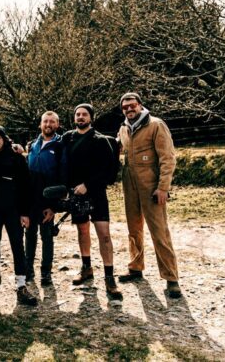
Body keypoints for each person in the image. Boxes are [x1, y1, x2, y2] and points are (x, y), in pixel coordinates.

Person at [116, 92, 181, 298]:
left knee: (159, 232)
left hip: (152, 187)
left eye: (132, 106)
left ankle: (171, 278)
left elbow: (168, 158)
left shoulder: (156, 125)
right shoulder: (124, 128)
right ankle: (136, 267)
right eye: (125, 107)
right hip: (130, 186)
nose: (129, 110)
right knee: (134, 229)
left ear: (140, 105)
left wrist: (163, 188)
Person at [62, 104, 122, 299]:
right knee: (82, 230)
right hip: (76, 194)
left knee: (104, 234)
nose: (80, 117)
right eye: (77, 114)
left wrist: (88, 184)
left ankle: (109, 276)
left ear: (91, 118)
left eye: (84, 114)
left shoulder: (101, 141)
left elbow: (108, 170)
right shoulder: (68, 138)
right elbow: (48, 144)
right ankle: (86, 267)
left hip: (96, 193)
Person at [0, 125, 37, 305]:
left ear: (4, 138)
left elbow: (26, 187)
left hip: (13, 210)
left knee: (17, 246)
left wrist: (25, 213)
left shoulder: (16, 158)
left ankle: (21, 285)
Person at [25, 111, 67, 286]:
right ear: (40, 124)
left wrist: (54, 206)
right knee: (29, 235)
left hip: (48, 201)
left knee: (47, 236)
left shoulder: (60, 146)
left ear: (57, 125)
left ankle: (46, 272)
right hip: (31, 199)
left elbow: (63, 178)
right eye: (45, 121)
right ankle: (28, 271)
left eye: (52, 122)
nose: (48, 124)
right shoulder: (33, 145)